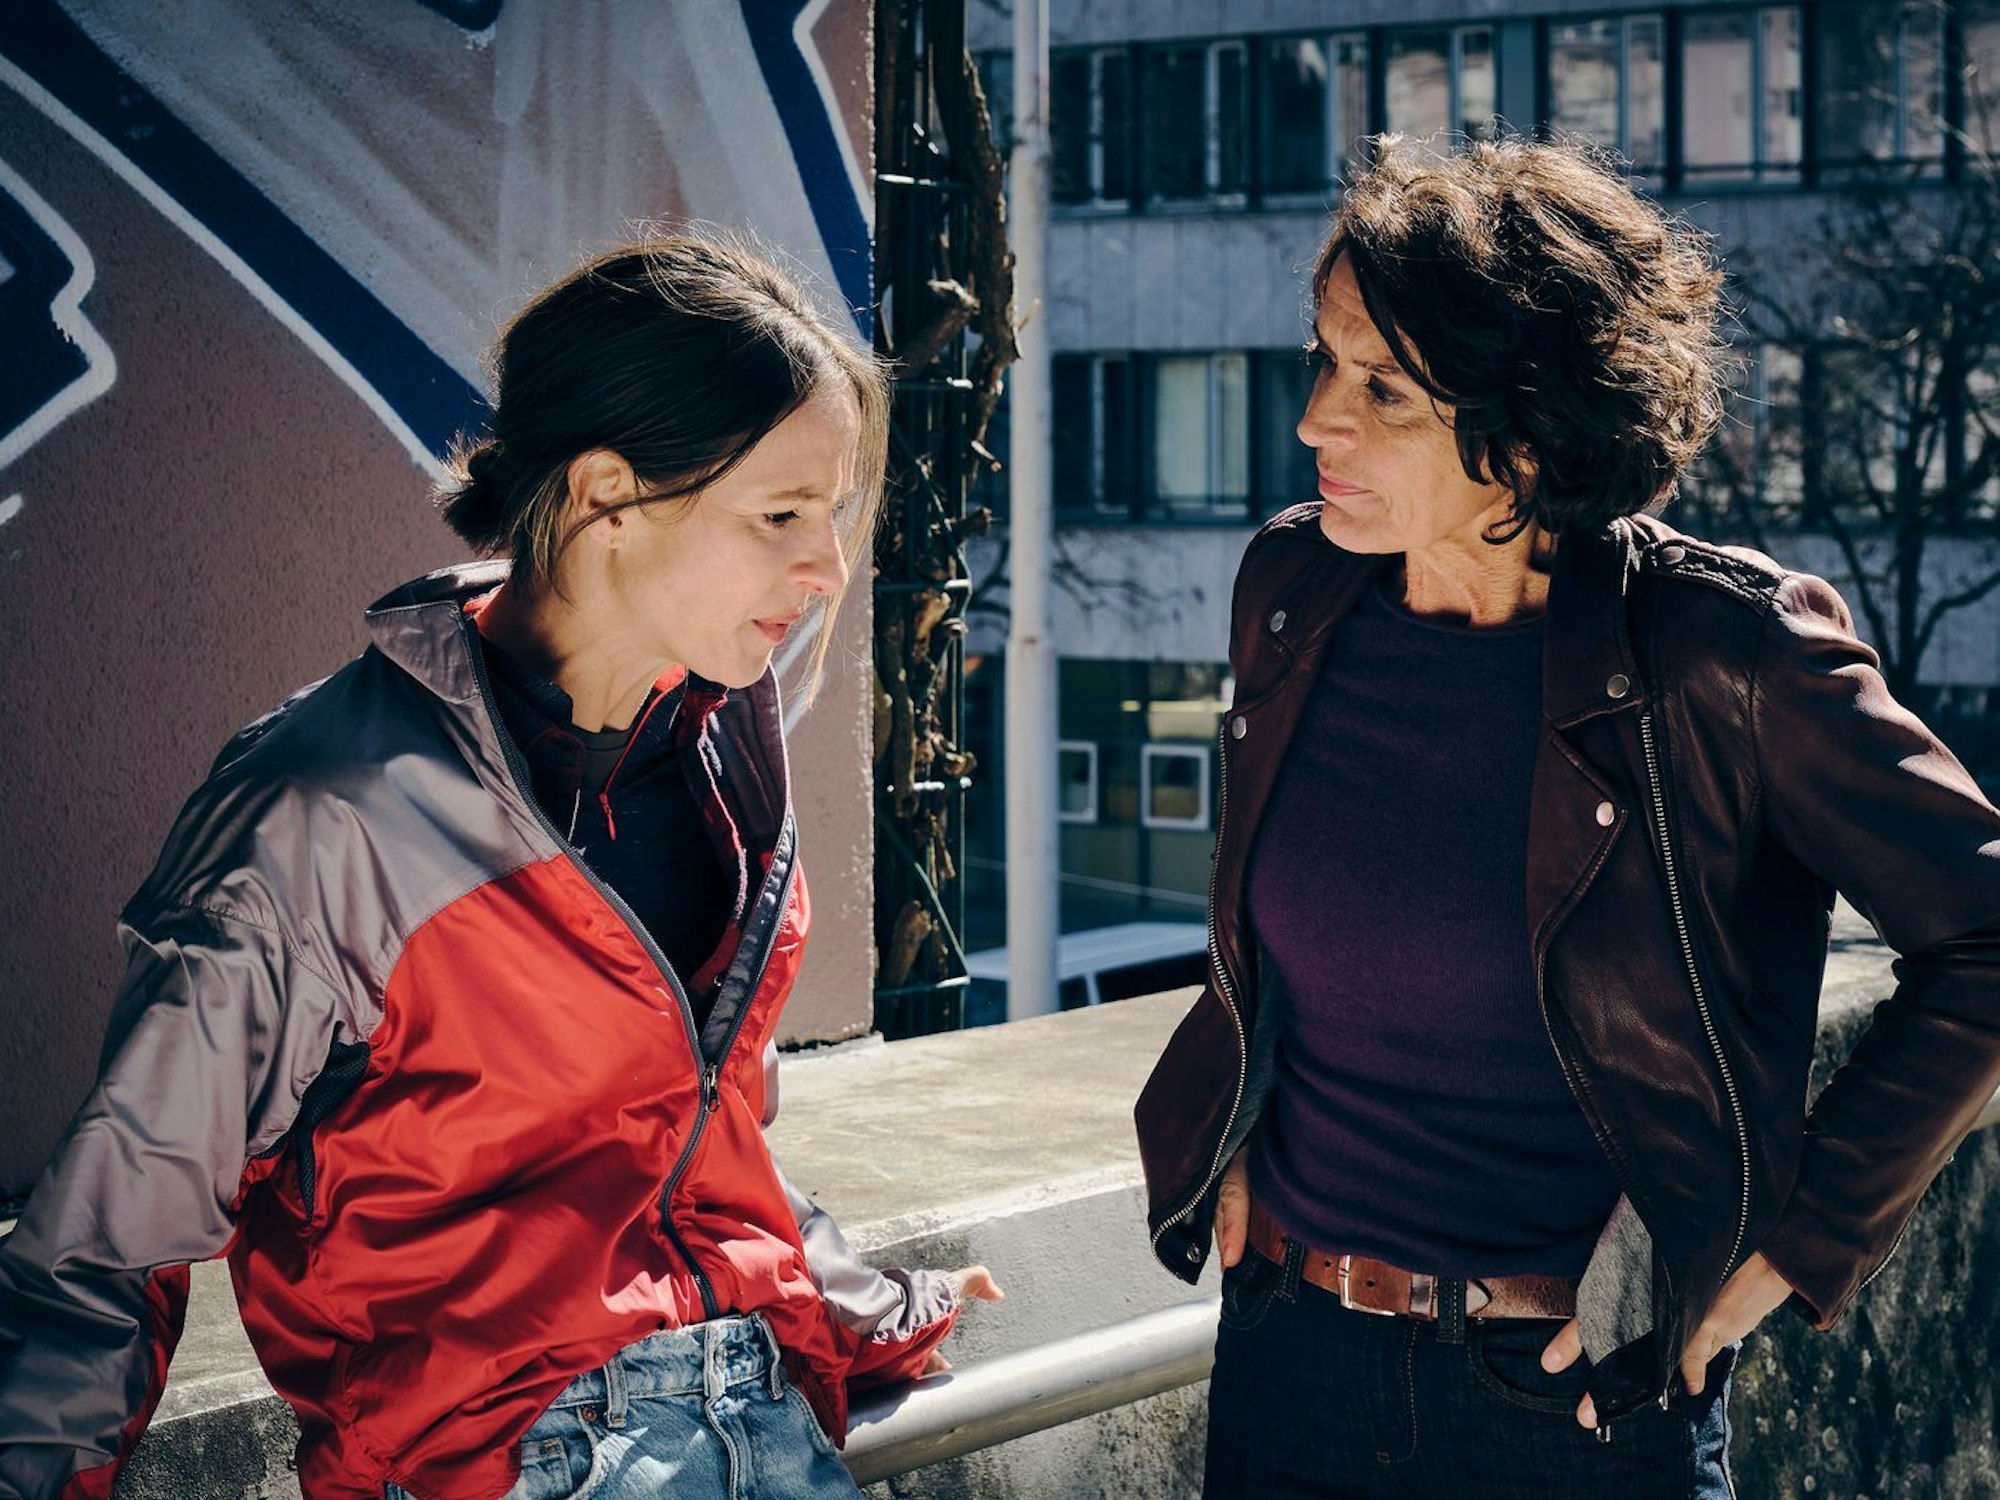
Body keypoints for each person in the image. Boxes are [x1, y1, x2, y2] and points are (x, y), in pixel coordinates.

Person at [0, 235, 1000, 1500]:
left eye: (835, 517)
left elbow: (693, 1144)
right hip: (507, 1459)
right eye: (782, 515)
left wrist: (866, 1310)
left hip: (768, 1430)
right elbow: (107, 1238)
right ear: (605, 497)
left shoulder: (721, 768)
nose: (828, 569)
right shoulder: (324, 811)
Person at [1134, 135, 2000, 1499]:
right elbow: (1282, 938)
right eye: (1322, 361)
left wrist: (1791, 1246)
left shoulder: (1724, 654)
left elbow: (1983, 940)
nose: (1314, 422)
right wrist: (1230, 1126)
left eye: (1382, 388)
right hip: (1287, 1361)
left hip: (1573, 1410)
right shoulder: (1292, 593)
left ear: (1529, 427)